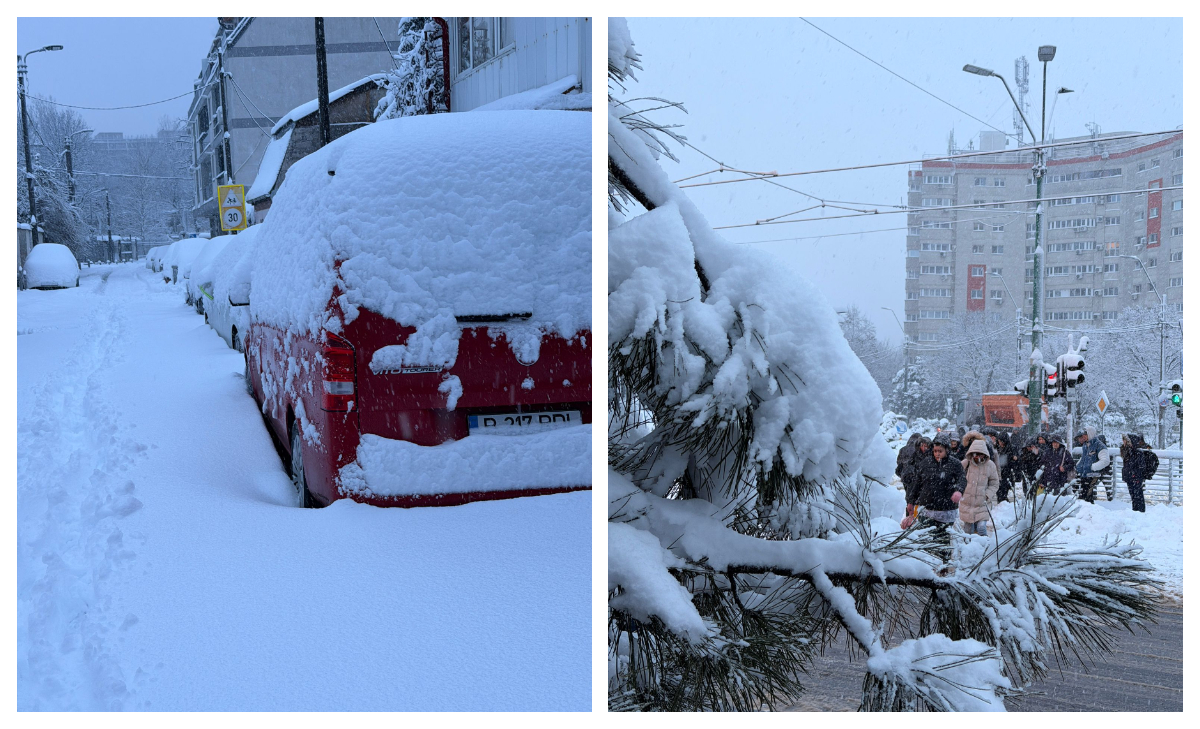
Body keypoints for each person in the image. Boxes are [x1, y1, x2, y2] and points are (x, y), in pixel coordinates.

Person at [903, 433, 965, 568]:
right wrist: (911, 501)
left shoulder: (954, 464)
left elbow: (962, 479)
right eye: (935, 451)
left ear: (947, 450)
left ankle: (943, 565)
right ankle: (928, 566)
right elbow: (917, 484)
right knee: (926, 537)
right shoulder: (926, 463)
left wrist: (958, 490)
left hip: (946, 508)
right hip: (928, 508)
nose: (937, 454)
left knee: (942, 539)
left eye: (940, 451)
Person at [959, 437, 1000, 536]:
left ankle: (983, 549)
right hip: (967, 503)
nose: (977, 457)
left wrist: (987, 495)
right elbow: (956, 477)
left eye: (980, 454)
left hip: (982, 503)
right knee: (968, 531)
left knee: (981, 528)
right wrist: (961, 491)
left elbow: (994, 483)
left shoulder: (990, 465)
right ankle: (968, 549)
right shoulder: (966, 463)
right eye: (975, 454)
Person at [1120, 434, 1158, 513]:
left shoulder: (1137, 452)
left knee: (1137, 495)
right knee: (1133, 495)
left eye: (1125, 440)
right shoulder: (1127, 450)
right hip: (1130, 477)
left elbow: (1140, 466)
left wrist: (1135, 475)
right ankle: (1135, 511)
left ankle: (1140, 511)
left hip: (1135, 477)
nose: (1123, 442)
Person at [1074, 427, 1111, 503]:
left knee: (1088, 495)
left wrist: (1092, 467)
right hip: (1084, 474)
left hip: (1093, 474)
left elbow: (1105, 461)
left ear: (1090, 434)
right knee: (1084, 495)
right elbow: (1084, 457)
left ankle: (1090, 510)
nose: (1083, 437)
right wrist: (1078, 466)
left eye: (1085, 435)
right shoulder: (1085, 445)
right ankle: (1086, 510)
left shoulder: (1099, 445)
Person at [993, 430, 1018, 503]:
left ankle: (1003, 503)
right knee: (999, 491)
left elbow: (1014, 461)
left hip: (1006, 473)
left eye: (1002, 441)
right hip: (999, 472)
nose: (1000, 443)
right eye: (999, 441)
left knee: (1003, 491)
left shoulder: (1011, 448)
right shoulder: (997, 448)